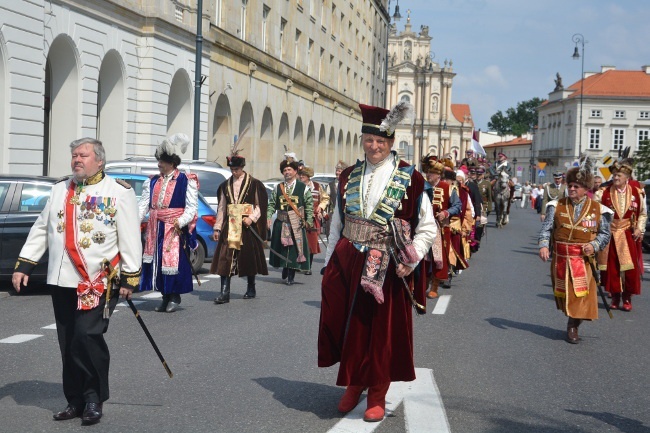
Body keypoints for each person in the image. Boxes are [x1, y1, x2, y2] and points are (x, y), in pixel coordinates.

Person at [318, 102, 436, 423]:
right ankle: (354, 384)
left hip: (387, 264)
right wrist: (330, 265)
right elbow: (337, 225)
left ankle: (378, 394)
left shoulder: (410, 179)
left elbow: (427, 227)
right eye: (369, 140)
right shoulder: (347, 177)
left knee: (381, 333)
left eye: (381, 141)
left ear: (391, 141)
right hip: (349, 259)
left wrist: (411, 259)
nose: (374, 146)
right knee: (352, 327)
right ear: (362, 140)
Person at [12, 138, 142, 425]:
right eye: (74, 156)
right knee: (68, 341)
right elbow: (42, 228)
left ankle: (94, 398)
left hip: (97, 282)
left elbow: (130, 237)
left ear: (99, 160)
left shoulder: (118, 192)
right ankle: (75, 400)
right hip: (62, 281)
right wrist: (25, 264)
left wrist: (130, 277)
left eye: (83, 155)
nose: (77, 160)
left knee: (87, 337)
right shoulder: (60, 189)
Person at [538, 156, 612, 343]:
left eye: (576, 186)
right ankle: (572, 319)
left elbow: (605, 234)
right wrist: (544, 245)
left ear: (585, 189)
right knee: (566, 296)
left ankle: (573, 326)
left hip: (583, 261)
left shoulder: (598, 209)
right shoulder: (556, 206)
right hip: (561, 259)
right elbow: (546, 228)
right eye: (570, 185)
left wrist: (594, 245)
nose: (571, 189)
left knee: (581, 296)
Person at [138, 133, 199, 313]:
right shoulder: (152, 181)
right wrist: (134, 221)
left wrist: (180, 221)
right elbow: (143, 205)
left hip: (174, 227)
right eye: (159, 161)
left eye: (162, 162)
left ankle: (175, 296)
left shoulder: (186, 181)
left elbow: (191, 208)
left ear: (172, 163)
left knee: (174, 263)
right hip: (155, 228)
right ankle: (164, 295)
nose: (159, 165)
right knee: (157, 262)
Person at [211, 148, 268, 303]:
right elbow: (222, 207)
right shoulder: (225, 186)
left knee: (248, 258)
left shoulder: (254, 184)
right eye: (231, 169)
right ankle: (224, 292)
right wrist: (217, 228)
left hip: (247, 226)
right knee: (225, 258)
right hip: (230, 226)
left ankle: (251, 286)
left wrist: (252, 218)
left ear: (242, 168)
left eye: (236, 169)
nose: (234, 172)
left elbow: (260, 205)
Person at [598, 158, 647, 311]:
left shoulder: (637, 192)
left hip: (628, 234)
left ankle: (627, 298)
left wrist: (639, 228)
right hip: (611, 234)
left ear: (626, 177)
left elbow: (643, 213)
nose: (615, 178)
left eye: (619, 175)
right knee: (612, 267)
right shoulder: (603, 192)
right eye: (614, 175)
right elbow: (595, 213)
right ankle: (615, 296)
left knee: (628, 268)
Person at [267, 157, 314, 285]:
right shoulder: (278, 188)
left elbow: (309, 205)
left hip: (296, 223)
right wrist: (268, 217)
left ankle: (291, 274)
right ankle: (285, 267)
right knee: (282, 247)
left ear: (295, 172)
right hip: (281, 222)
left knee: (294, 250)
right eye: (285, 170)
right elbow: (271, 204)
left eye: (289, 169)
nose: (287, 172)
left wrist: (308, 221)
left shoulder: (302, 188)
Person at [421, 155, 461, 298]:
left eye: (431, 172)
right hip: (422, 228)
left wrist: (445, 212)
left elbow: (457, 206)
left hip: (440, 229)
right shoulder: (422, 186)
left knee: (438, 258)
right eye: (427, 172)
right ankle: (422, 285)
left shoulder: (448, 188)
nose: (428, 175)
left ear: (438, 174)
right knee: (422, 256)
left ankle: (435, 287)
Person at [299, 166, 330, 275]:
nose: (301, 176)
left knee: (311, 243)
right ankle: (299, 264)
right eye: (300, 174)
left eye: (303, 174)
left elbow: (325, 198)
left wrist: (320, 207)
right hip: (299, 218)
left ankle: (308, 267)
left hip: (312, 219)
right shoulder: (297, 186)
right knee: (299, 242)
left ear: (308, 176)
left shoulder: (317, 186)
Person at [324, 160, 349, 237]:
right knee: (331, 235)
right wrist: (324, 212)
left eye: (339, 171)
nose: (337, 173)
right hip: (333, 214)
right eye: (336, 171)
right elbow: (325, 199)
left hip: (345, 215)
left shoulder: (349, 184)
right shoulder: (331, 185)